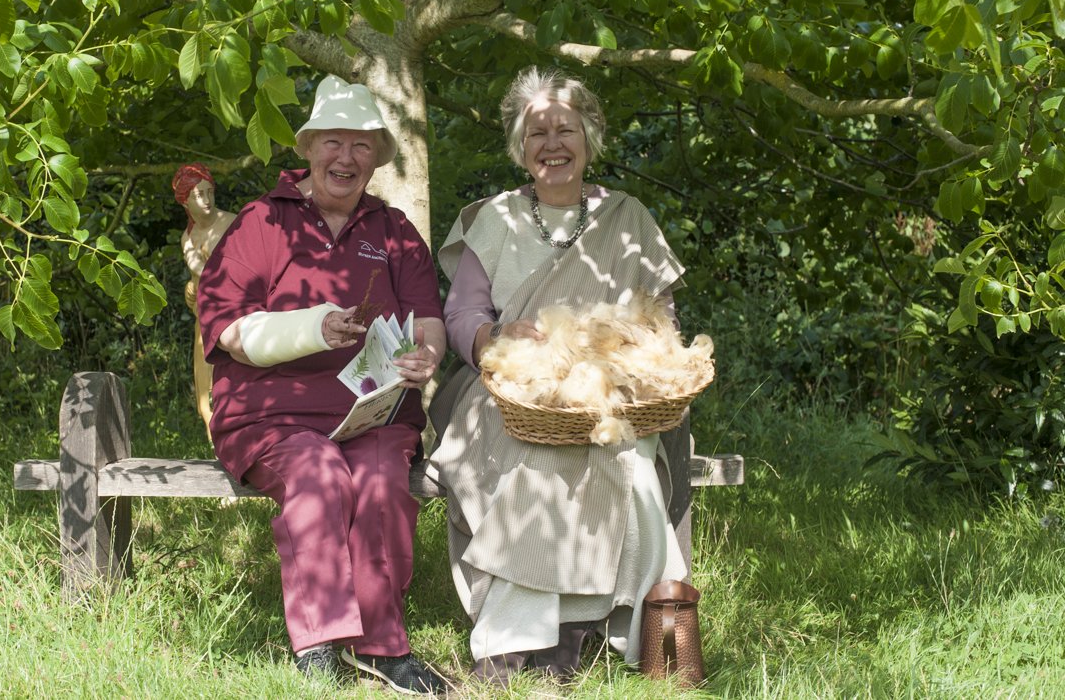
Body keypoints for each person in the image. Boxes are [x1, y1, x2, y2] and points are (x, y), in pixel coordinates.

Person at [428, 67, 689, 685]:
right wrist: (498, 339)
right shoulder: (493, 219)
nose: (552, 143)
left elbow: (664, 324)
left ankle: (585, 631)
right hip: (511, 389)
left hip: (614, 393)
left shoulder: (630, 220)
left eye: (565, 129)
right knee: (535, 454)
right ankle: (520, 639)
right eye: (536, 131)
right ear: (520, 147)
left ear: (590, 137)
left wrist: (625, 354)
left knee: (619, 461)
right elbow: (462, 315)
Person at [197, 75, 449, 695]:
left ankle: (383, 649)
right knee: (318, 477)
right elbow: (228, 328)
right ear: (307, 149)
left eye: (361, 145)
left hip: (375, 414)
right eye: (333, 142)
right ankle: (319, 647)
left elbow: (430, 322)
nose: (346, 157)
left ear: (376, 157)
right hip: (271, 417)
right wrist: (313, 327)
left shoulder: (393, 231)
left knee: (384, 483)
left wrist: (426, 357)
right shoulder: (261, 222)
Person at [172, 164, 237, 431]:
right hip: (205, 319)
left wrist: (198, 275)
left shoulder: (232, 223)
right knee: (204, 397)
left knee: (233, 386)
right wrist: (192, 287)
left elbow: (237, 272)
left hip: (234, 317)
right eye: (199, 195)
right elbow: (198, 276)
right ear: (185, 200)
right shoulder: (187, 236)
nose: (207, 201)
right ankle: (214, 443)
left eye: (210, 192)